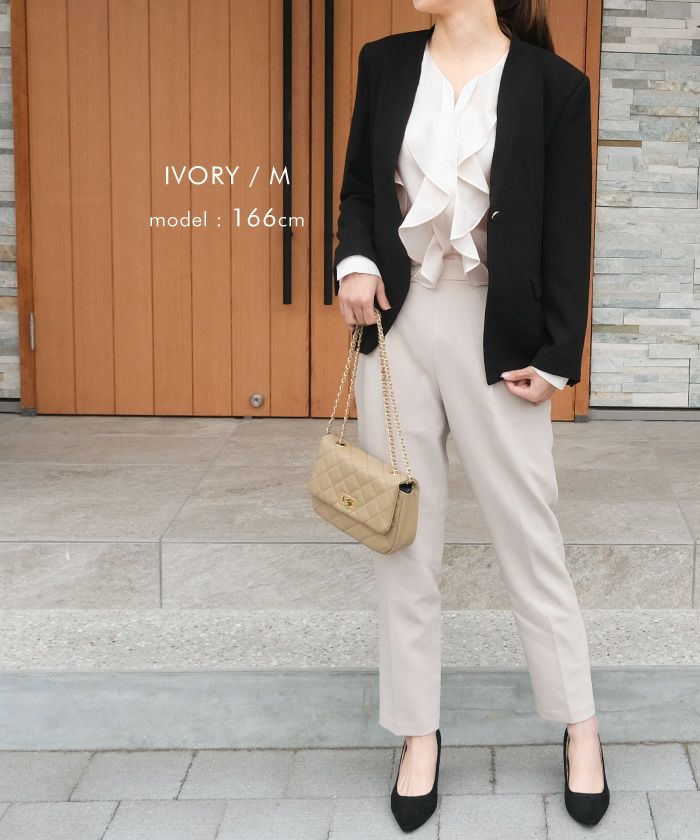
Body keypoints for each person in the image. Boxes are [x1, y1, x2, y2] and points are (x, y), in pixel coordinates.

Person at [332, 0, 610, 831]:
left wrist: (560, 353)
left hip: (502, 336)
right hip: (397, 327)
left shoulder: (555, 85)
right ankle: (417, 734)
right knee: (401, 542)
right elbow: (358, 187)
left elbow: (567, 227)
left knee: (530, 534)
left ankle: (580, 725)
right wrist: (353, 260)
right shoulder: (384, 62)